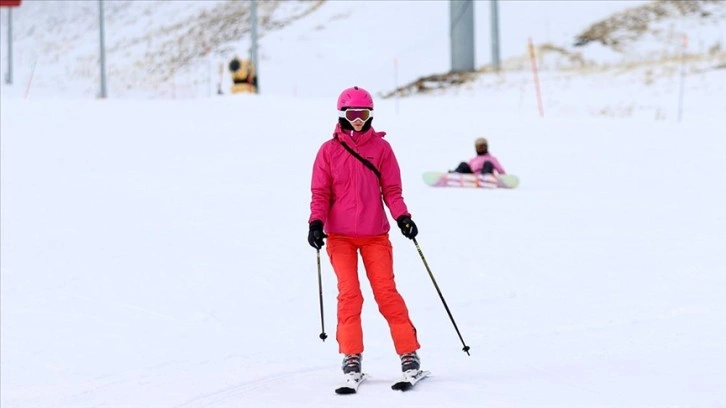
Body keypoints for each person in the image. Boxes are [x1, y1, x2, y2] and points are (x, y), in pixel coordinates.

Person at [307, 86, 422, 378]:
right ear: (342, 114)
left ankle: (409, 353)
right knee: (350, 294)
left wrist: (403, 217)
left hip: (375, 235)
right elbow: (320, 193)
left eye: (364, 113)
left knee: (386, 293)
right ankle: (351, 356)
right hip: (340, 237)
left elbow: (392, 191)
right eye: (352, 113)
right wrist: (316, 222)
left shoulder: (382, 149)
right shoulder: (329, 151)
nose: (358, 119)